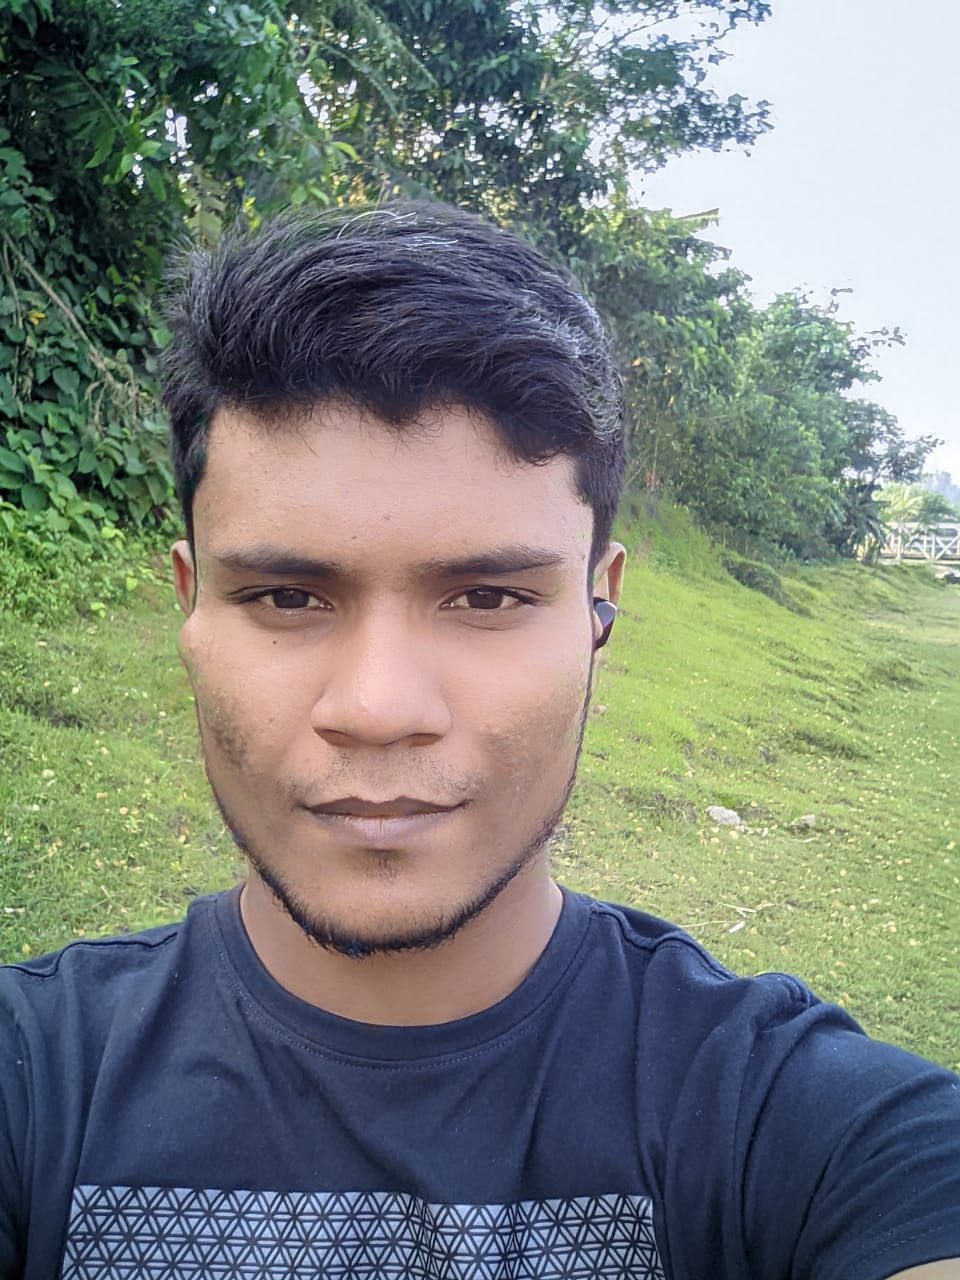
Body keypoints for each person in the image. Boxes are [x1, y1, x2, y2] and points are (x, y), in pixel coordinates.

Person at [1, 202, 958, 1280]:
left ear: (598, 610)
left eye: (490, 596)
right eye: (285, 596)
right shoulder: (33, 1080)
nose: (377, 708)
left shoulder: (788, 1120)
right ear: (190, 606)